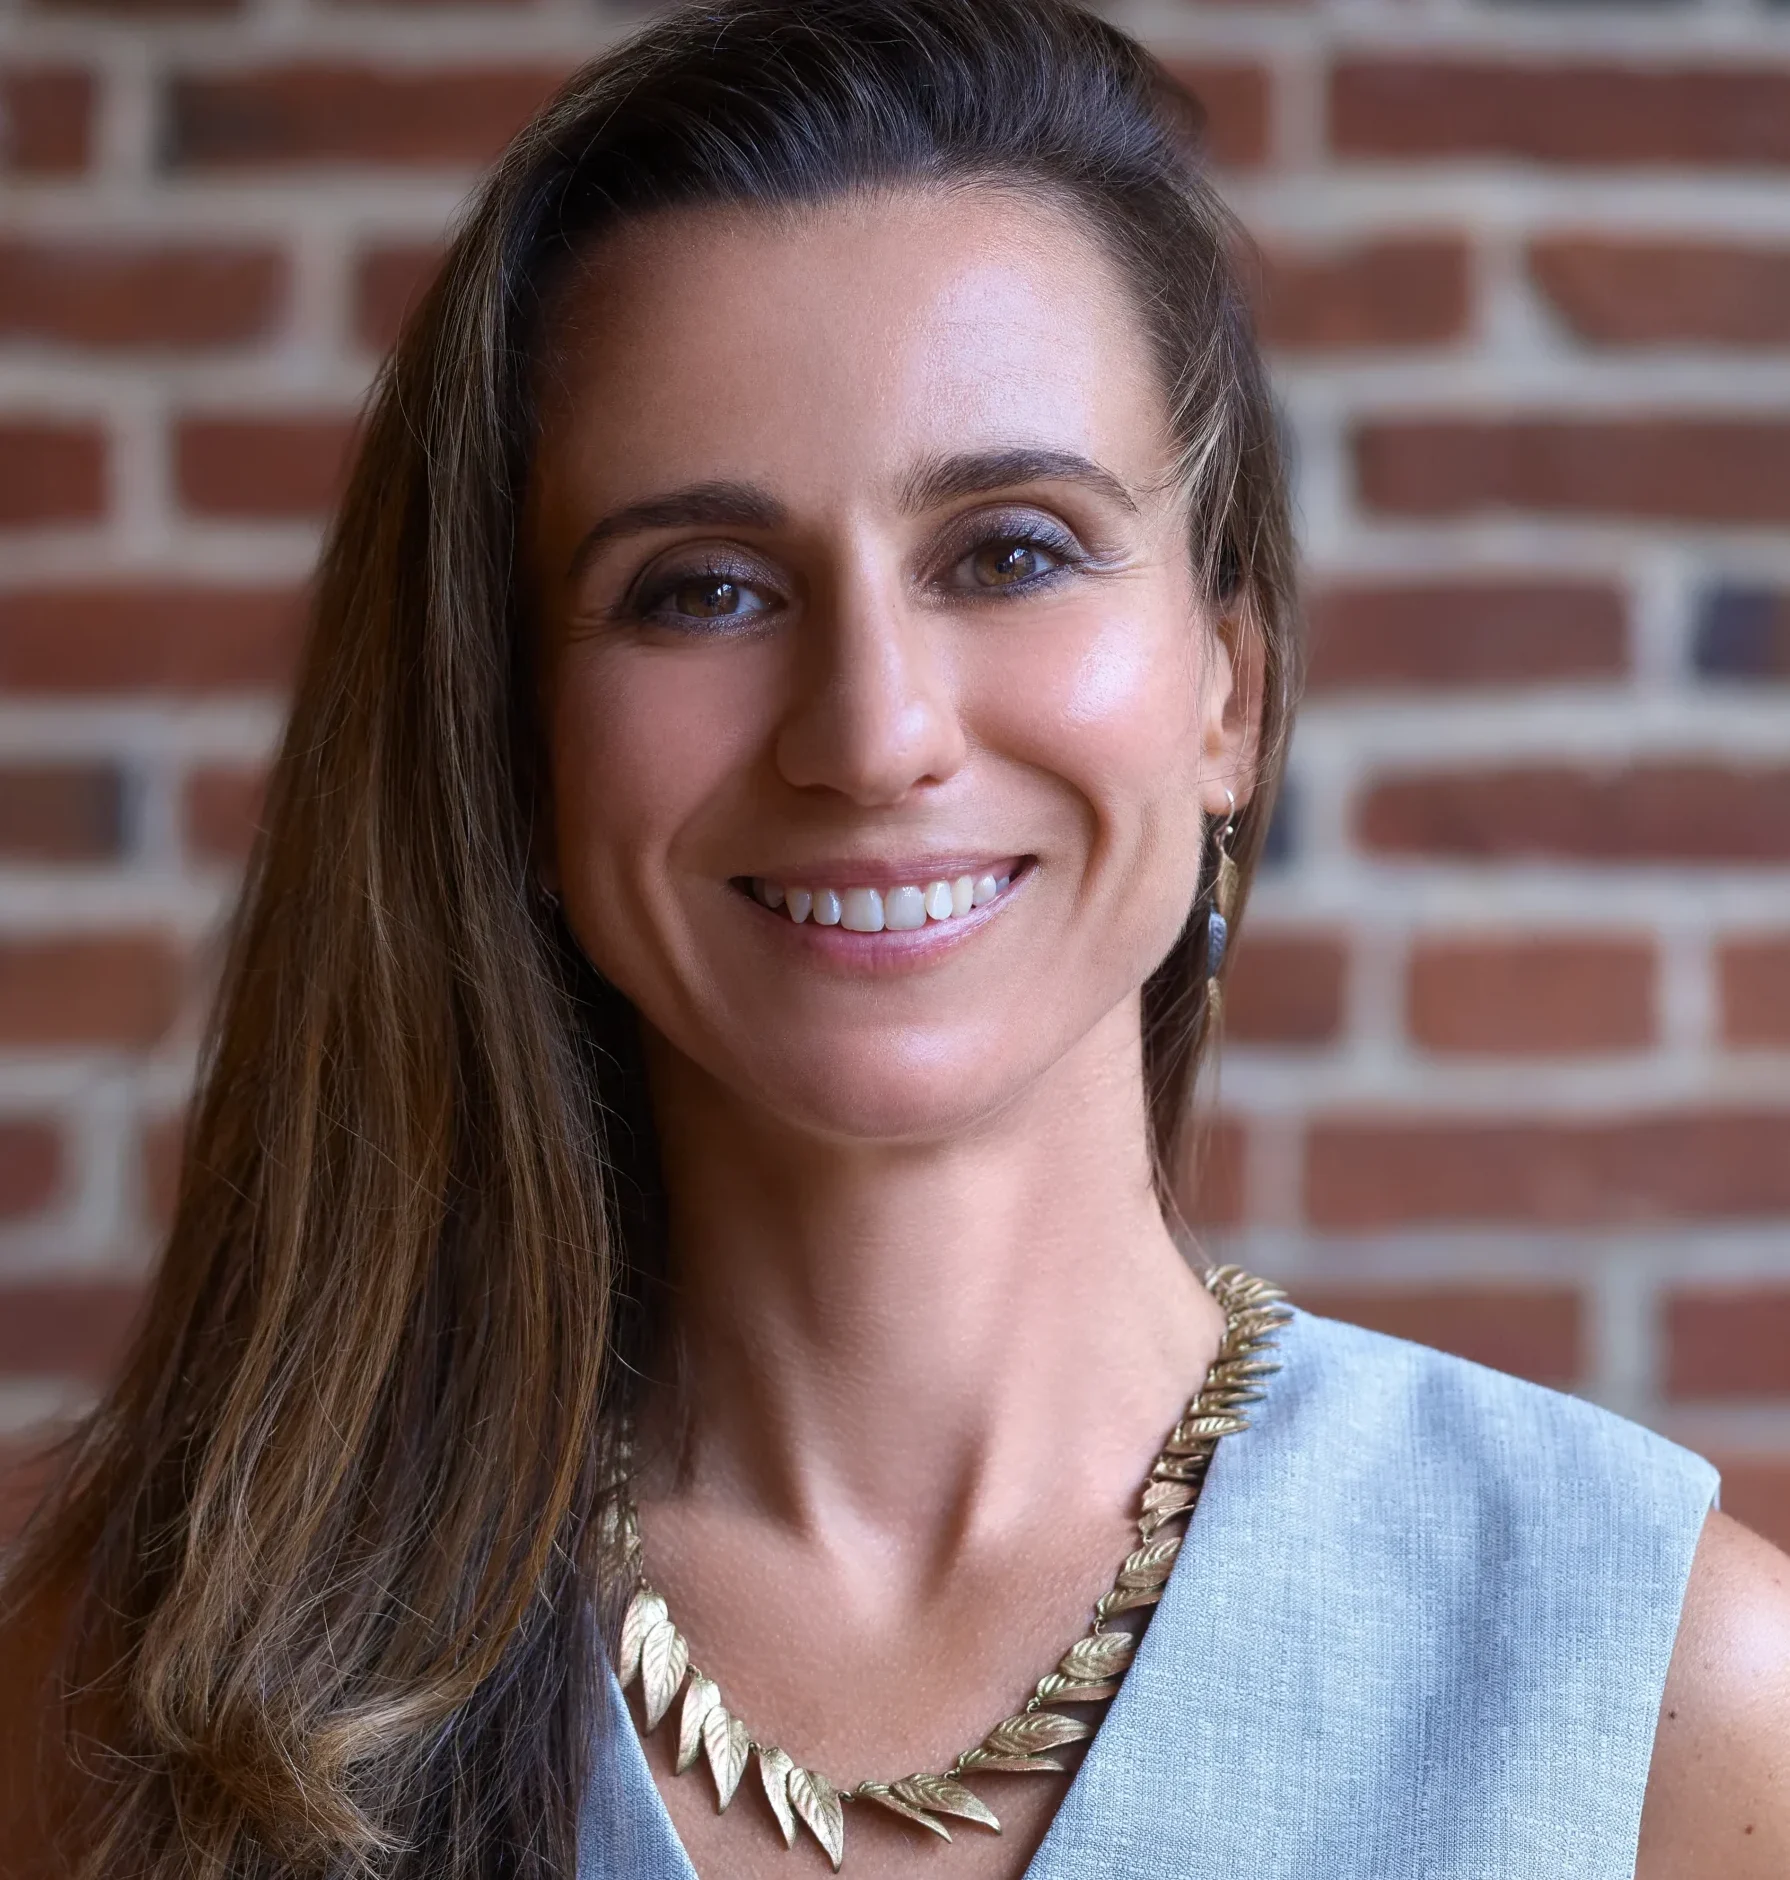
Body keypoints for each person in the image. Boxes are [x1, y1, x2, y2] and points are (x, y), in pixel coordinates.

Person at [4, 1, 1788, 1874]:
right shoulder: (147, 1681)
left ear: (1225, 694)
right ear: (517, 755)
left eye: (1010, 549)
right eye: (698, 590)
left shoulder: (1669, 1698)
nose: (870, 734)